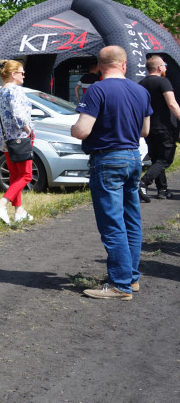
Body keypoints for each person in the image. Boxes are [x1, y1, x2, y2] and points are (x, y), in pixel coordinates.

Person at [71, 45, 151, 300]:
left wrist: (73, 129)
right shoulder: (141, 90)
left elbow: (82, 130)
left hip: (107, 159)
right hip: (133, 157)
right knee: (131, 220)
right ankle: (131, 278)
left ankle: (120, 285)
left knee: (113, 223)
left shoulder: (97, 89)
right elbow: (145, 131)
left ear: (100, 66)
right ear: (124, 64)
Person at [0, 60, 34, 224]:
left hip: (6, 140)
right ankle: (1, 204)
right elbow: (19, 114)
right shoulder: (16, 91)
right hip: (20, 138)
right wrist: (27, 129)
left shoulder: (0, 92)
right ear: (13, 75)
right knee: (26, 175)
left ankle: (19, 211)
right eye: (22, 73)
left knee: (15, 176)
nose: (24, 76)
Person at [138, 54, 180, 201]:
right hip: (164, 126)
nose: (166, 68)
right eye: (165, 65)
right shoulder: (163, 82)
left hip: (148, 127)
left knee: (156, 159)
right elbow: (172, 104)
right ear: (159, 67)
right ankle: (143, 182)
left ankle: (162, 190)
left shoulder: (141, 83)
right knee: (165, 159)